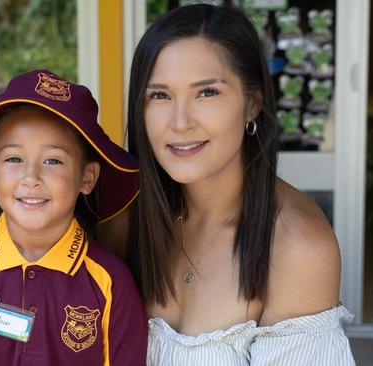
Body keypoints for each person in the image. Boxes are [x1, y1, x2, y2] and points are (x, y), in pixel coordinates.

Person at [125, 4, 355, 365]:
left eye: (207, 93)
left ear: (252, 105)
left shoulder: (296, 247)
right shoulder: (127, 219)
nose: (180, 122)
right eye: (160, 95)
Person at [0, 70, 147, 365]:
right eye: (13, 159)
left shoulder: (110, 282)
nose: (31, 177)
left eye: (53, 160)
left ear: (87, 177)